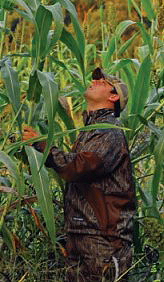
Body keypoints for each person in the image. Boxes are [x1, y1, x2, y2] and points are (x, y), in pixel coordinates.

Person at [22, 67, 135, 282]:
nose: (96, 80)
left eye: (104, 81)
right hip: (81, 235)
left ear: (113, 97)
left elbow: (79, 167)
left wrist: (41, 144)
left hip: (102, 241)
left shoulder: (108, 130)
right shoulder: (92, 130)